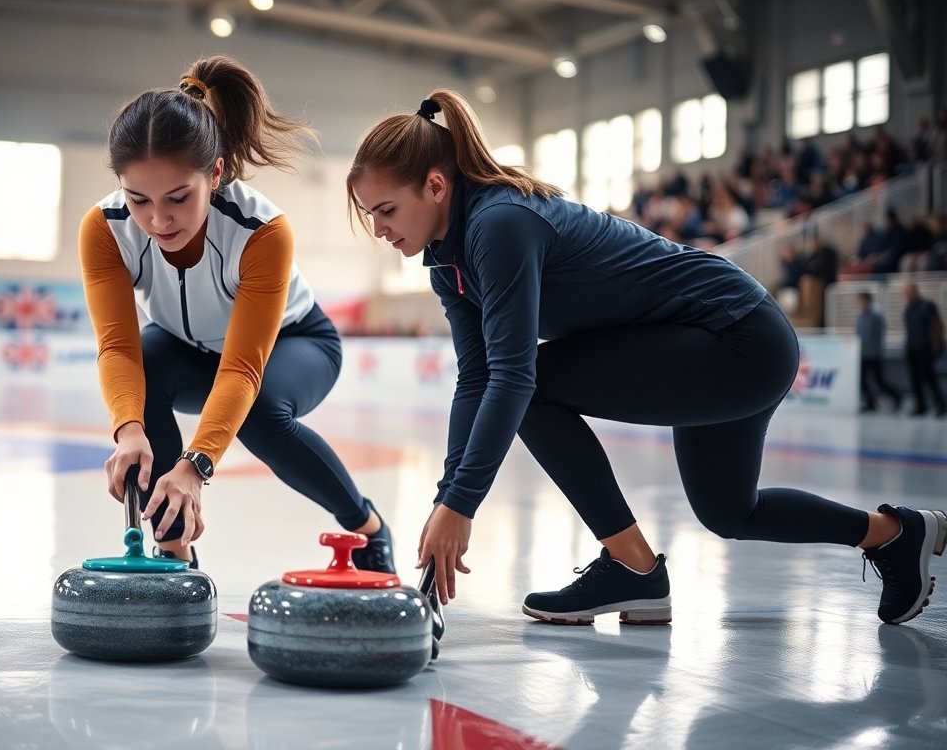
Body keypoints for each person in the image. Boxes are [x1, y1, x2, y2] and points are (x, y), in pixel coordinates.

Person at [344, 89, 946, 625]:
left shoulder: (500, 223)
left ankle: (632, 567)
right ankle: (894, 534)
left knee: (534, 388)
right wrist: (449, 496)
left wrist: (460, 503)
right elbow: (474, 381)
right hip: (711, 342)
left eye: (387, 210)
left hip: (736, 337)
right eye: (371, 216)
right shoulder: (449, 266)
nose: (379, 231)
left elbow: (512, 376)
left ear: (436, 185)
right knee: (731, 510)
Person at [78, 55, 394, 572]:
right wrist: (128, 429)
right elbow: (117, 346)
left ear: (216, 172)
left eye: (179, 197)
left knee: (262, 414)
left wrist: (194, 467)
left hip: (294, 345)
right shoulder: (104, 228)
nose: (158, 219)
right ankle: (174, 553)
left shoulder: (261, 231)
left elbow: (243, 368)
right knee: (145, 369)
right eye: (138, 199)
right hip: (186, 347)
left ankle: (367, 527)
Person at [902, 283, 946, 418]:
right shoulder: (908, 309)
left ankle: (940, 404)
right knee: (914, 378)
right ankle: (920, 406)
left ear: (916, 292)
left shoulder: (927, 306)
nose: (907, 295)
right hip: (912, 348)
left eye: (909, 292)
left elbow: (938, 325)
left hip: (926, 348)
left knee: (929, 377)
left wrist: (937, 343)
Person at [855, 291, 902, 413]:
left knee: (879, 380)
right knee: (862, 380)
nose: (860, 304)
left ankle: (896, 395)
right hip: (863, 354)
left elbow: (877, 335)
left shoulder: (876, 316)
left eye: (862, 301)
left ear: (868, 301)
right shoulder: (860, 317)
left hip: (873, 354)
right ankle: (870, 402)